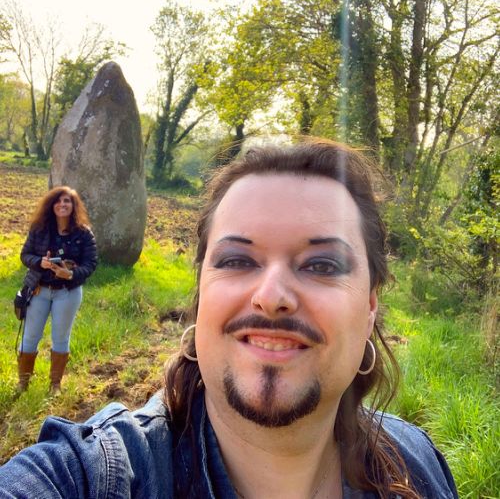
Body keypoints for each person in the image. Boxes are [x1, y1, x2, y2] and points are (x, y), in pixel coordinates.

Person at [0, 140, 457, 498]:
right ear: (202, 295)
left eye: (322, 265)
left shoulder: (418, 464)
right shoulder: (89, 476)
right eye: (237, 260)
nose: (271, 297)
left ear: (371, 305)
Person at [16, 186, 97, 392]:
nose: (62, 204)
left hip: (68, 292)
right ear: (51, 205)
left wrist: (69, 274)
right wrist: (39, 262)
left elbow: (91, 264)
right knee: (30, 336)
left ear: (73, 205)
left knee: (61, 337)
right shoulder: (39, 228)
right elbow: (25, 255)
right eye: (58, 201)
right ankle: (23, 383)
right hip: (39, 289)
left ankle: (55, 385)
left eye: (67, 201)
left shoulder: (84, 233)